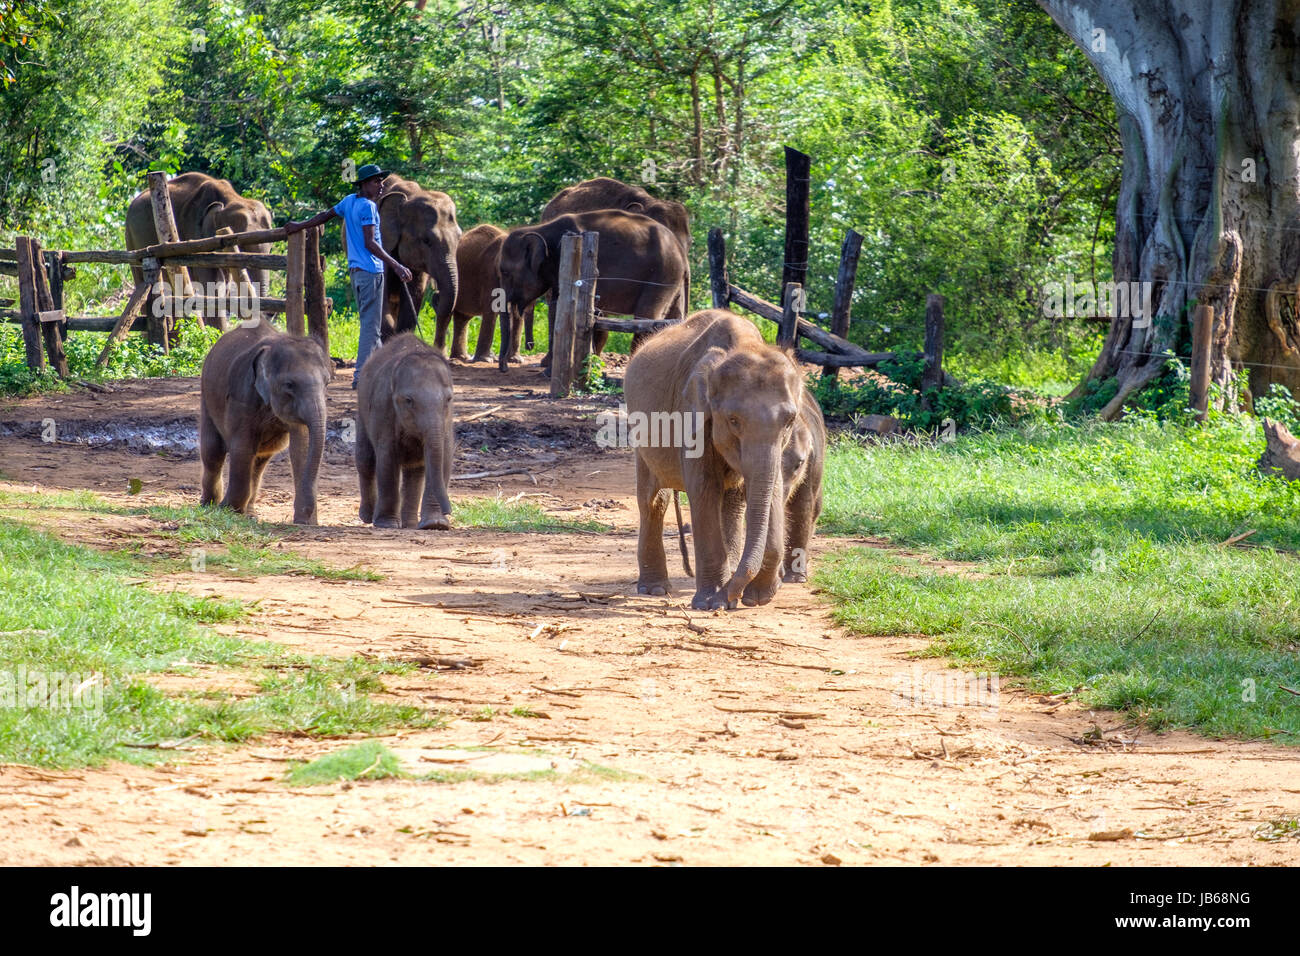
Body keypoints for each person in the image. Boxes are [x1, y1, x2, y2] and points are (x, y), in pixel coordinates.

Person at [285, 164, 413, 388]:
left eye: (381, 181)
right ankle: (360, 377)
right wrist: (396, 265)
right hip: (372, 272)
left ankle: (385, 370)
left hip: (357, 273)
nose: (381, 185)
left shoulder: (348, 201)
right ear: (364, 184)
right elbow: (371, 243)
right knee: (371, 327)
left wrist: (300, 225)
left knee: (372, 326)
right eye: (376, 181)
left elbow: (325, 216)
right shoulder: (368, 208)